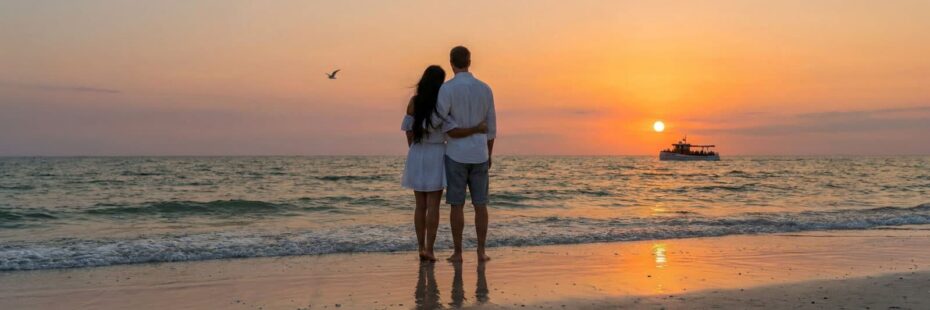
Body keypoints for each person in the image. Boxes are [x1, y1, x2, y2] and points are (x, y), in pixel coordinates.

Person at [402, 65, 487, 261]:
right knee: (433, 205)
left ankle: (420, 247)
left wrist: (414, 150)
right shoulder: (440, 105)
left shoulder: (414, 102)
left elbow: (408, 130)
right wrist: (477, 128)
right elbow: (453, 131)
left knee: (419, 205)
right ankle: (430, 249)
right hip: (436, 152)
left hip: (417, 152)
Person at [436, 46, 497, 262]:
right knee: (481, 205)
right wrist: (488, 154)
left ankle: (458, 252)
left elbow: (441, 119)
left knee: (457, 204)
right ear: (469, 61)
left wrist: (455, 129)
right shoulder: (485, 89)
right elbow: (491, 128)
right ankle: (481, 251)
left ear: (451, 62)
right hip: (479, 152)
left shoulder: (447, 89)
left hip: (455, 153)